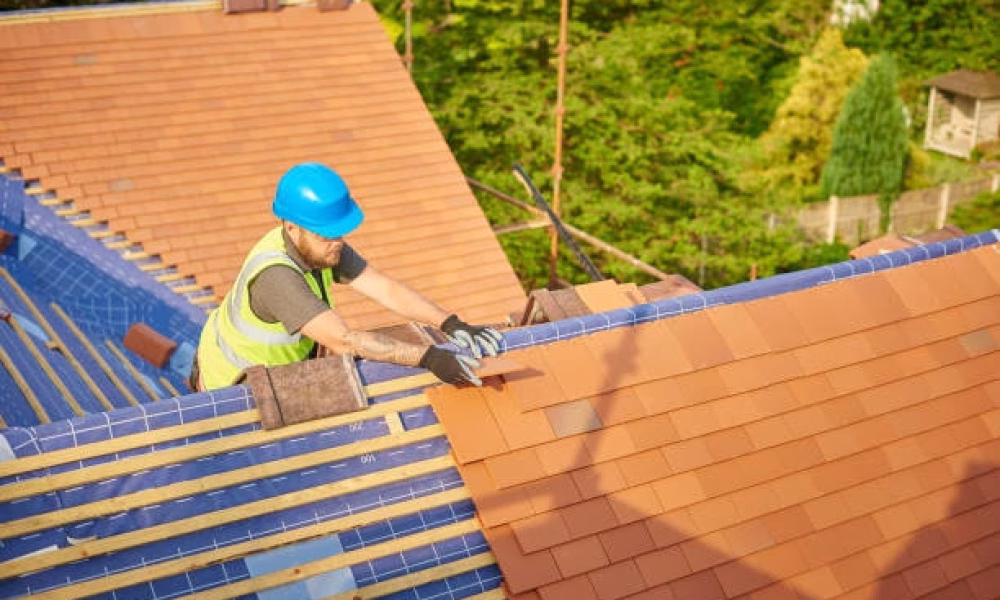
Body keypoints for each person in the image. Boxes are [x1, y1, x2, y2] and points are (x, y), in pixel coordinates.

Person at [192, 162, 503, 391]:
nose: (337, 243)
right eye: (326, 235)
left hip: (271, 365)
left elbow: (385, 289)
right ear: (291, 227)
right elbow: (344, 340)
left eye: (339, 233)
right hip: (233, 383)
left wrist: (450, 323)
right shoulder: (276, 278)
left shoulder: (320, 246)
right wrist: (430, 358)